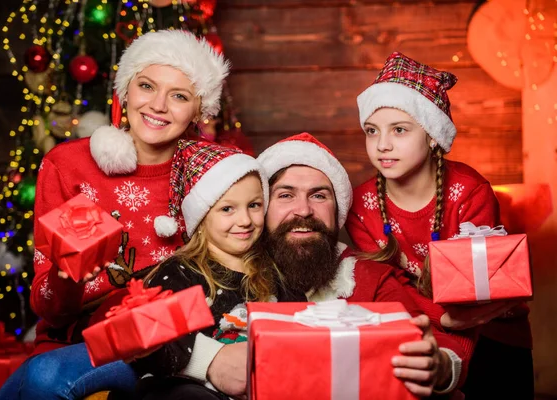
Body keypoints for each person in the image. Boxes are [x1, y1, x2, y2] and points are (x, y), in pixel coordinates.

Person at [0, 29, 230, 400]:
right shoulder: (67, 165)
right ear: (125, 90)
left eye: (180, 96)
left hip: (170, 344)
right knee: (43, 374)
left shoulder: (215, 175)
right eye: (147, 86)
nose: (158, 105)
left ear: (199, 111)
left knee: (39, 376)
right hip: (77, 341)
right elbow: (50, 310)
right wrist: (66, 274)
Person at [181, 133, 466, 398]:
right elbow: (152, 340)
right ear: (261, 208)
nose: (304, 210)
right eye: (285, 195)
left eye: (319, 195)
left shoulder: (366, 277)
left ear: (336, 210)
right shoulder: (220, 271)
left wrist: (439, 366)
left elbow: (438, 344)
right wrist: (208, 360)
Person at [346, 52, 533, 399]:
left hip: (492, 331)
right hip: (417, 329)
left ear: (432, 135)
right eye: (372, 131)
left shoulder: (469, 192)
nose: (382, 144)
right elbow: (388, 286)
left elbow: (479, 286)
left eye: (399, 130)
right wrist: (441, 323)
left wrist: (454, 322)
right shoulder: (361, 206)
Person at [132, 139, 299, 400]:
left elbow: (301, 328)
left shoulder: (275, 271)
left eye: (254, 205)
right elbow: (156, 344)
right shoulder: (181, 273)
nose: (244, 220)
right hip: (190, 388)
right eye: (227, 209)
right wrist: (208, 365)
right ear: (201, 217)